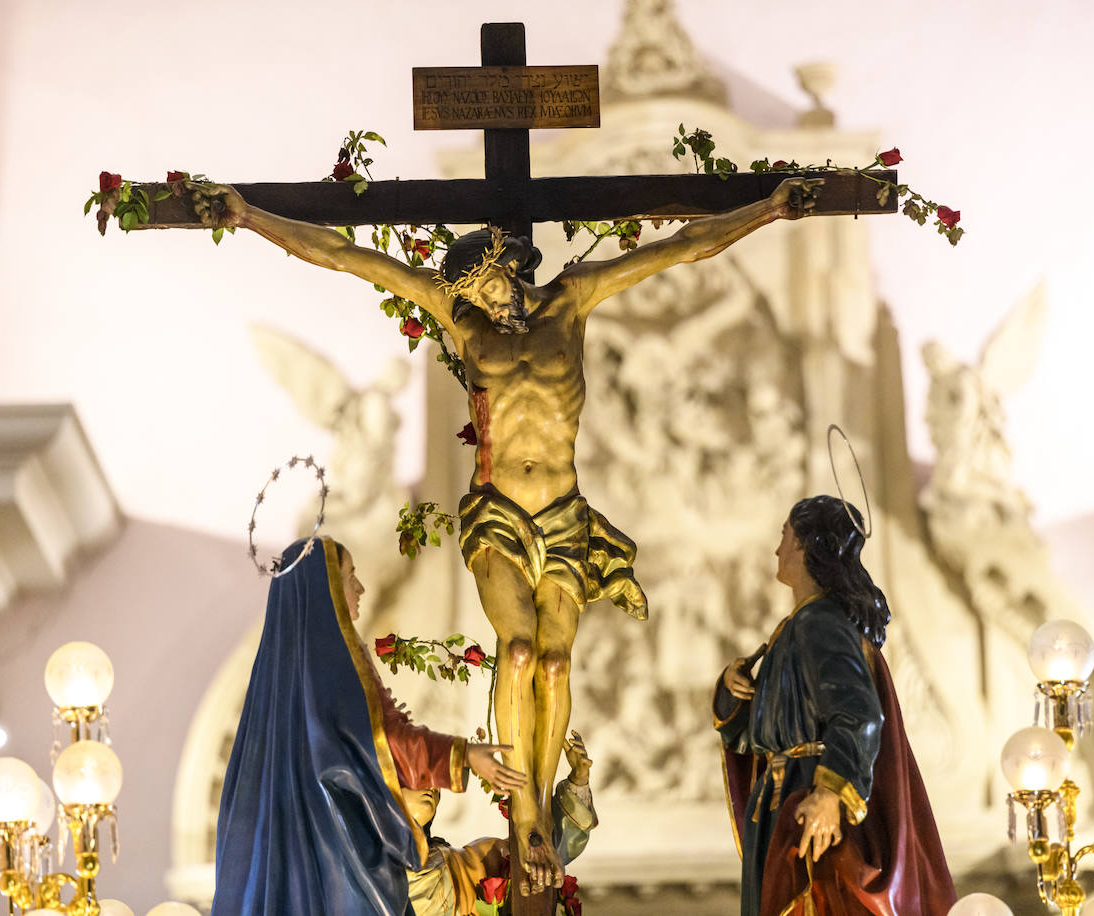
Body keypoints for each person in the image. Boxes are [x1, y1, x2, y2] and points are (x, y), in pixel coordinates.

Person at [191, 175, 822, 893]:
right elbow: (347, 257)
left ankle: (547, 816)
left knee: (554, 667)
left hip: (563, 516)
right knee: (517, 650)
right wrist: (249, 217)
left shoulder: (575, 299)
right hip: (496, 513)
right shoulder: (463, 324)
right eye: (471, 297)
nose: (482, 305)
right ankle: (526, 818)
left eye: (488, 289)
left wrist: (770, 209)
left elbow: (680, 249)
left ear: (507, 268)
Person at [212, 537, 526, 916]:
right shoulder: (332, 662)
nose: (359, 588)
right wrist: (463, 755)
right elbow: (382, 739)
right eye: (350, 576)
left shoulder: (277, 673)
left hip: (298, 847)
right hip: (337, 841)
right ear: (323, 586)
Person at [714, 496, 956, 915]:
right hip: (782, 801)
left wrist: (831, 793)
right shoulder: (794, 629)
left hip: (808, 799)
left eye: (785, 536)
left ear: (809, 545)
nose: (778, 549)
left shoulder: (821, 622)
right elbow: (757, 734)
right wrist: (730, 689)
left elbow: (859, 712)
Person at [403, 731, 598, 916]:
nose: (432, 786)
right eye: (419, 778)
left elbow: (544, 848)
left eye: (435, 782)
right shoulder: (377, 867)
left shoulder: (477, 857)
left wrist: (578, 782)